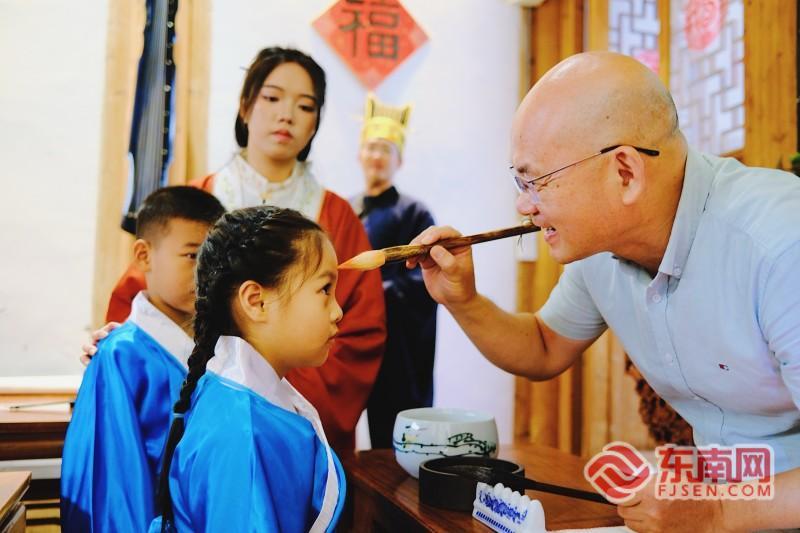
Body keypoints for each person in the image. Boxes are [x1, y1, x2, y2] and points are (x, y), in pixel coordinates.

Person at [407, 51, 800, 532]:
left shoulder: (780, 245)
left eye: (536, 181)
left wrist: (717, 512)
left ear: (625, 173)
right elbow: (544, 347)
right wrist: (462, 300)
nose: (523, 205)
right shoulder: (602, 250)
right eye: (519, 181)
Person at [101, 47, 386, 453]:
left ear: (315, 123)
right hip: (194, 407)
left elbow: (359, 334)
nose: (286, 115)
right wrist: (122, 347)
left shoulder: (337, 217)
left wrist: (271, 390)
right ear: (245, 106)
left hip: (289, 418)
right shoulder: (193, 205)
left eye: (305, 106)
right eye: (272, 97)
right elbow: (141, 303)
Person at [151, 206, 345, 532]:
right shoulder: (243, 430)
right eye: (325, 289)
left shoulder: (238, 400)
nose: (338, 311)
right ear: (256, 301)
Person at [61, 187, 225, 532]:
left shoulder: (223, 346)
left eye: (215, 258)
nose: (207, 272)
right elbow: (114, 487)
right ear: (144, 255)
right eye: (192, 255)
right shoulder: (120, 356)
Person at [349, 94, 437, 448]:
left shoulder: (414, 213)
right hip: (351, 334)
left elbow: (424, 278)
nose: (377, 156)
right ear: (359, 154)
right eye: (371, 147)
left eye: (386, 149)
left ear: (399, 160)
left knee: (395, 431)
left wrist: (373, 296)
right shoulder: (347, 210)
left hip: (396, 343)